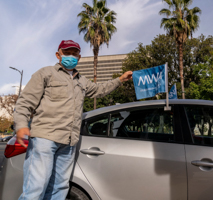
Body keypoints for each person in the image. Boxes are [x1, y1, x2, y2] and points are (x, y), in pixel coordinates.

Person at [14, 40, 133, 200]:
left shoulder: (82, 80)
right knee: (35, 189)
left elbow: (99, 90)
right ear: (58, 55)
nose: (71, 56)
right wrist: (21, 125)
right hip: (45, 140)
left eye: (74, 53)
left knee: (59, 188)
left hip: (69, 143)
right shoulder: (46, 73)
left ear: (79, 57)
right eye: (67, 53)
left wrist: (120, 79)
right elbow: (25, 101)